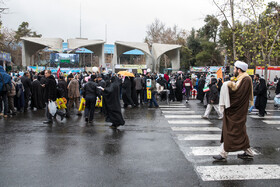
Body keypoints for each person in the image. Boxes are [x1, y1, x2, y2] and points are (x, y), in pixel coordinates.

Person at [213, 61, 254, 161]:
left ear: (239, 70)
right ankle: (249, 152)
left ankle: (223, 154)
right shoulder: (243, 78)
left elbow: (238, 95)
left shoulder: (246, 79)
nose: (234, 70)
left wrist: (228, 86)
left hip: (237, 111)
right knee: (240, 132)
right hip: (237, 111)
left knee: (231, 131)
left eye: (235, 69)